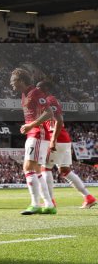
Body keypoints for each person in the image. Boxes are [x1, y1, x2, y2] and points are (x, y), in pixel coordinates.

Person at [37, 79, 96, 209]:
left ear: (46, 88)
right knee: (65, 170)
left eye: (39, 88)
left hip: (57, 138)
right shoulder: (45, 103)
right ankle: (88, 197)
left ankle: (50, 201)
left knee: (45, 168)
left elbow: (59, 121)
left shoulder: (50, 100)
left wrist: (52, 140)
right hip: (63, 139)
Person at [10, 68, 56, 215]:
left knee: (28, 167)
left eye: (13, 81)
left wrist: (31, 125)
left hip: (38, 133)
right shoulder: (24, 95)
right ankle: (48, 204)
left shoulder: (35, 92)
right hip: (33, 134)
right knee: (36, 169)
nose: (11, 84)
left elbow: (49, 113)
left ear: (21, 81)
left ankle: (35, 204)